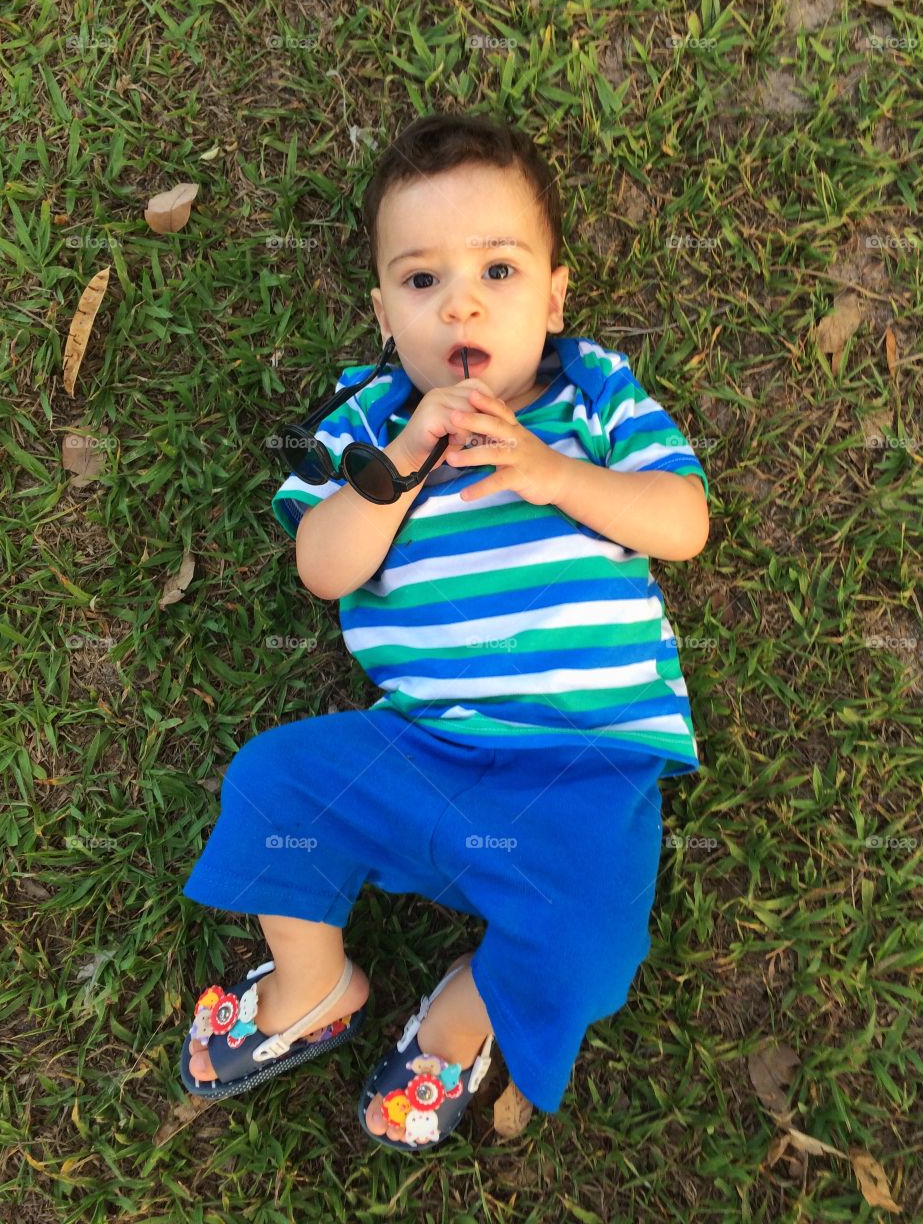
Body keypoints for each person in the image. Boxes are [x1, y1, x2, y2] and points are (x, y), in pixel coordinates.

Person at [178, 110, 710, 1152]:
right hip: (421, 752)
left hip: (586, 766)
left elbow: (683, 522)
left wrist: (554, 475)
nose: (460, 302)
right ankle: (315, 981)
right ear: (385, 314)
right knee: (273, 784)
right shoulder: (371, 425)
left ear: (553, 297)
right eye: (422, 280)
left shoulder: (592, 396)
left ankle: (463, 1012)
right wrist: (398, 468)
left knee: (593, 948)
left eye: (498, 271)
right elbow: (324, 565)